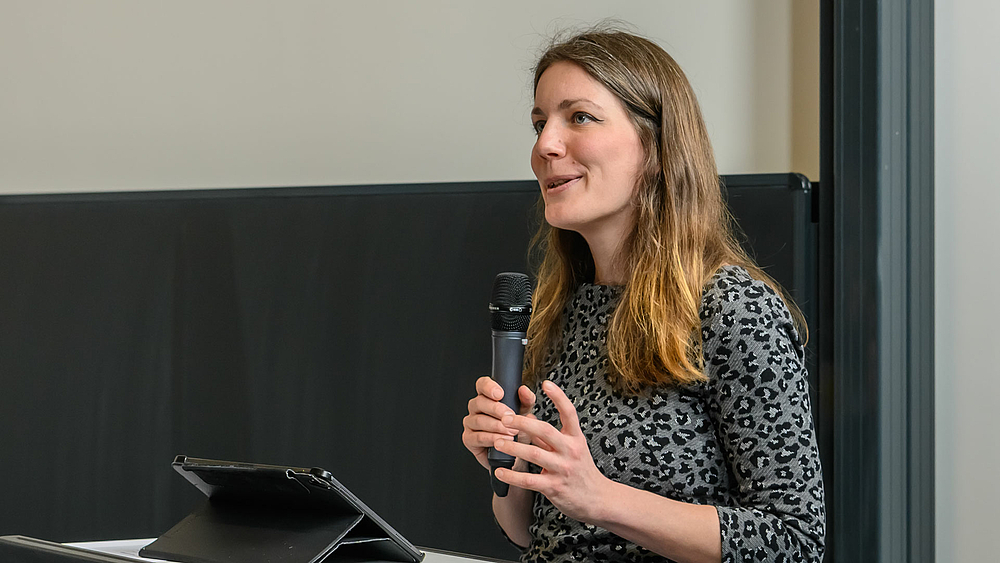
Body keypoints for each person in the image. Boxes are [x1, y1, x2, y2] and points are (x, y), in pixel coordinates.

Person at [461, 27, 825, 563]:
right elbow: (535, 534)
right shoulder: (560, 315)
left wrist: (601, 498)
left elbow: (795, 544)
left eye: (578, 117)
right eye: (539, 124)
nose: (544, 146)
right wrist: (504, 462)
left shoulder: (733, 308)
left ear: (654, 147)